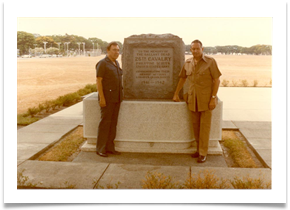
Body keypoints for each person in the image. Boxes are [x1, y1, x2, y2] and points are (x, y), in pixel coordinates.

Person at [173, 40, 222, 163]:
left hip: (206, 100)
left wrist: (213, 98)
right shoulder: (188, 62)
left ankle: (203, 153)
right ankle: (199, 150)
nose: (195, 51)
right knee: (196, 127)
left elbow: (216, 81)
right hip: (192, 99)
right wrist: (176, 93)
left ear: (202, 49)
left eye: (197, 49)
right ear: (190, 50)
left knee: (204, 128)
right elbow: (183, 78)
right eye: (193, 49)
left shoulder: (210, 62)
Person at [95, 42, 123, 157]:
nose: (116, 52)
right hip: (107, 98)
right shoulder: (102, 63)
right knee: (105, 124)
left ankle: (110, 147)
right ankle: (100, 148)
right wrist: (102, 98)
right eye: (114, 50)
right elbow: (99, 81)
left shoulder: (116, 63)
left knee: (113, 124)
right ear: (108, 50)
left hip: (116, 98)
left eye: (118, 50)